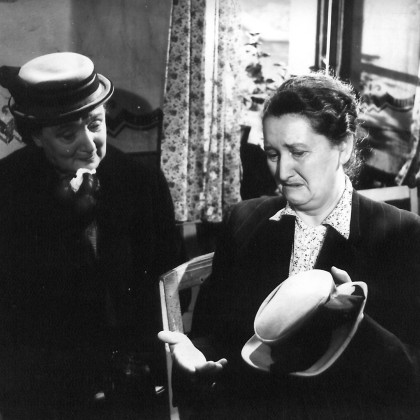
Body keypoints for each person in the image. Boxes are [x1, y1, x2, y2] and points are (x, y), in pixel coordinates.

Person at [158, 72, 420, 419]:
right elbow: (216, 334)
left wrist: (358, 327)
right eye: (272, 153)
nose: (282, 172)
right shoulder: (244, 221)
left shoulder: (401, 234)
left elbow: (409, 375)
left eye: (298, 152)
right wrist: (196, 355)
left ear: (343, 147)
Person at [0, 52, 183, 419]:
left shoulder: (142, 181)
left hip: (131, 377)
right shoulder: (7, 188)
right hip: (42, 385)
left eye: (95, 124)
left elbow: (169, 280)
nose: (89, 144)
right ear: (36, 137)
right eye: (67, 135)